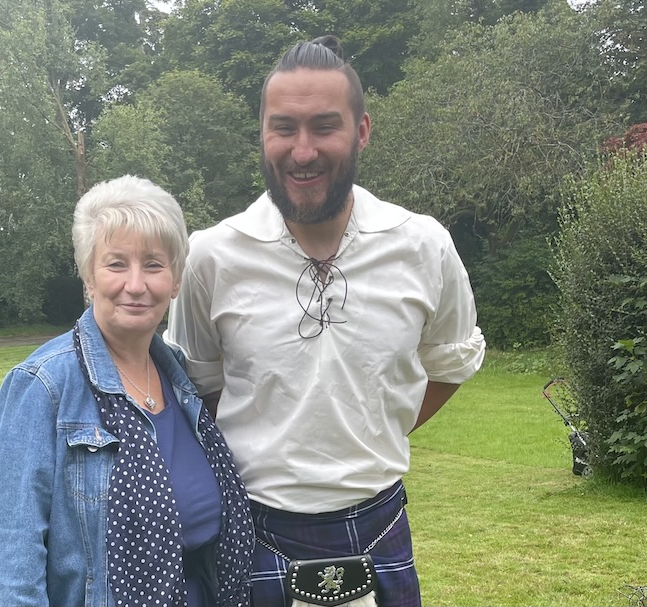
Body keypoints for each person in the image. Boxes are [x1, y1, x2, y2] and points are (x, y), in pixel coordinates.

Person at [165, 35, 486, 607]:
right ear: (262, 133)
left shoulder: (423, 245)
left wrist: (373, 427)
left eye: (324, 127)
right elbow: (198, 389)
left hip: (379, 523)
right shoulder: (211, 256)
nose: (302, 150)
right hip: (253, 528)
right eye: (284, 127)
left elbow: (451, 362)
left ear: (361, 131)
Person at [0, 175, 253, 607]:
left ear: (176, 278)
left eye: (153, 264)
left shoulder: (180, 379)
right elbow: (13, 573)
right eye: (115, 263)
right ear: (89, 276)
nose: (135, 284)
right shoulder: (42, 387)